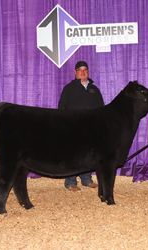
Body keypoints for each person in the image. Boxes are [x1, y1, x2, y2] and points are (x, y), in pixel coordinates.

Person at [58, 61, 104, 191]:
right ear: (75, 72)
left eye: (85, 70)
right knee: (72, 154)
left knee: (88, 154)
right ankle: (71, 181)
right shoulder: (68, 88)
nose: (83, 72)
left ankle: (86, 179)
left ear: (88, 72)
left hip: (91, 128)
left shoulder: (94, 89)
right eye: (80, 69)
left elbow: (101, 108)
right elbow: (62, 108)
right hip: (73, 127)